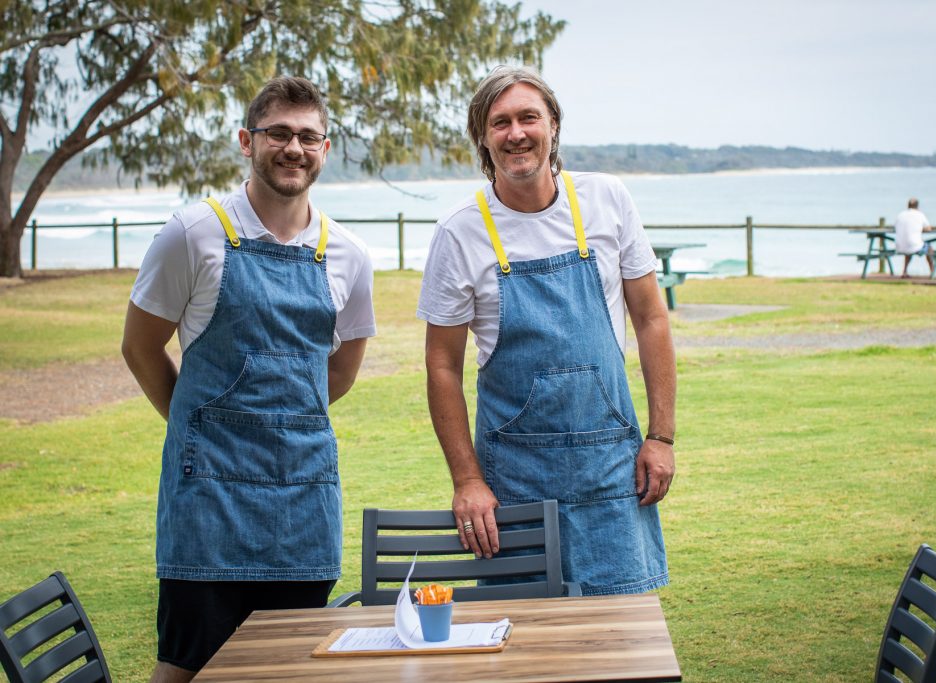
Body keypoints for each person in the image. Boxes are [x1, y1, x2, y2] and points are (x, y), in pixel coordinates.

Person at [121, 76, 375, 682]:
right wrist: (199, 425)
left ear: (326, 148)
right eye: (278, 134)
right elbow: (139, 347)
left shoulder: (349, 254)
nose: (294, 148)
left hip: (303, 501)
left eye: (308, 137)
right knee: (187, 669)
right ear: (246, 141)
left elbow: (337, 373)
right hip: (208, 501)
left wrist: (281, 422)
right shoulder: (192, 234)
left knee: (290, 669)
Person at [417, 66, 673, 596]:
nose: (516, 133)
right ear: (483, 140)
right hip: (514, 479)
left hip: (611, 469)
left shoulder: (608, 199)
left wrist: (661, 437)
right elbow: (442, 365)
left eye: (528, 117)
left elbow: (651, 320)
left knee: (621, 643)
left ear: (553, 124)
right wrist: (467, 480)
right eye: (500, 122)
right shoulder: (459, 232)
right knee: (526, 648)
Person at [893, 197, 934, 278]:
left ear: (908, 206)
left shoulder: (901, 215)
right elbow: (929, 228)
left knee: (909, 250)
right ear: (917, 206)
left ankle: (904, 272)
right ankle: (933, 272)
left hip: (899, 246)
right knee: (929, 249)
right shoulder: (919, 214)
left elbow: (895, 226)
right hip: (914, 245)